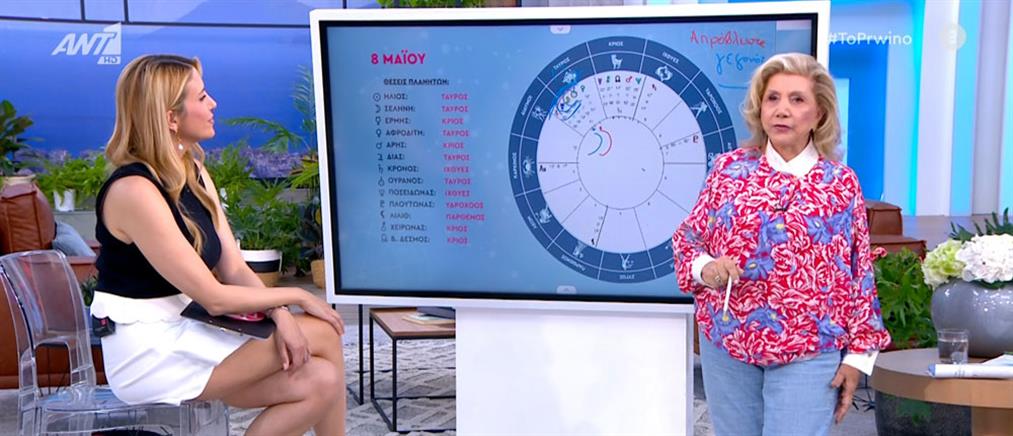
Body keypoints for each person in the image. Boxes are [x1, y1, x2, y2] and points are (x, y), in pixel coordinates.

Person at [91, 54, 347, 436]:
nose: (213, 104)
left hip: (184, 327)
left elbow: (233, 268)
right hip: (148, 352)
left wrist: (278, 312)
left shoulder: (192, 170)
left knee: (321, 380)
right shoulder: (134, 191)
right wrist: (298, 296)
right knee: (324, 331)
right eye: (202, 96)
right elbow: (214, 297)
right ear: (170, 118)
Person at [671, 53, 891, 436]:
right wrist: (707, 268)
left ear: (819, 114)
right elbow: (688, 241)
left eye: (797, 99)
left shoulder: (840, 184)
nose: (782, 110)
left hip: (810, 346)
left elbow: (859, 273)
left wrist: (858, 357)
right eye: (772, 98)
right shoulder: (728, 171)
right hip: (729, 342)